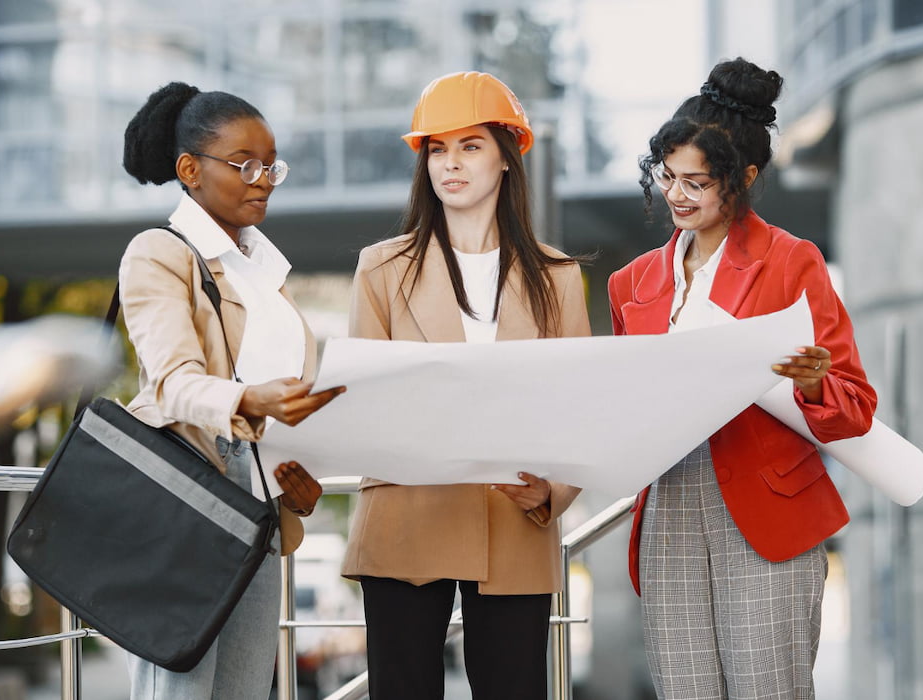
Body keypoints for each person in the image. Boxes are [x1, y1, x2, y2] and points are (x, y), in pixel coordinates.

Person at [608, 58, 877, 699]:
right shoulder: (631, 283)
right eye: (668, 178)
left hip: (765, 511)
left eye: (697, 183)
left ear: (745, 177)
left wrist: (814, 382)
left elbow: (856, 406)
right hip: (669, 510)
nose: (677, 195)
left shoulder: (791, 261)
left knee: (768, 690)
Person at [339, 71, 590, 700]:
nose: (450, 164)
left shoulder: (555, 277)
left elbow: (581, 407)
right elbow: (361, 394)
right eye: (437, 150)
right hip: (407, 513)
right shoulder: (382, 267)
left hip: (512, 516)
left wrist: (553, 491)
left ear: (508, 155)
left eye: (470, 146)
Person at [118, 81, 345, 700]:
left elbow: (282, 402)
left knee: (246, 690)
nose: (264, 178)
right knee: (182, 689)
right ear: (189, 169)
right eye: (245, 164)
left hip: (259, 513)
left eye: (271, 165)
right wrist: (252, 402)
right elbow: (172, 384)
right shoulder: (159, 254)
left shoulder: (263, 274)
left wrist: (299, 484)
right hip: (189, 499)